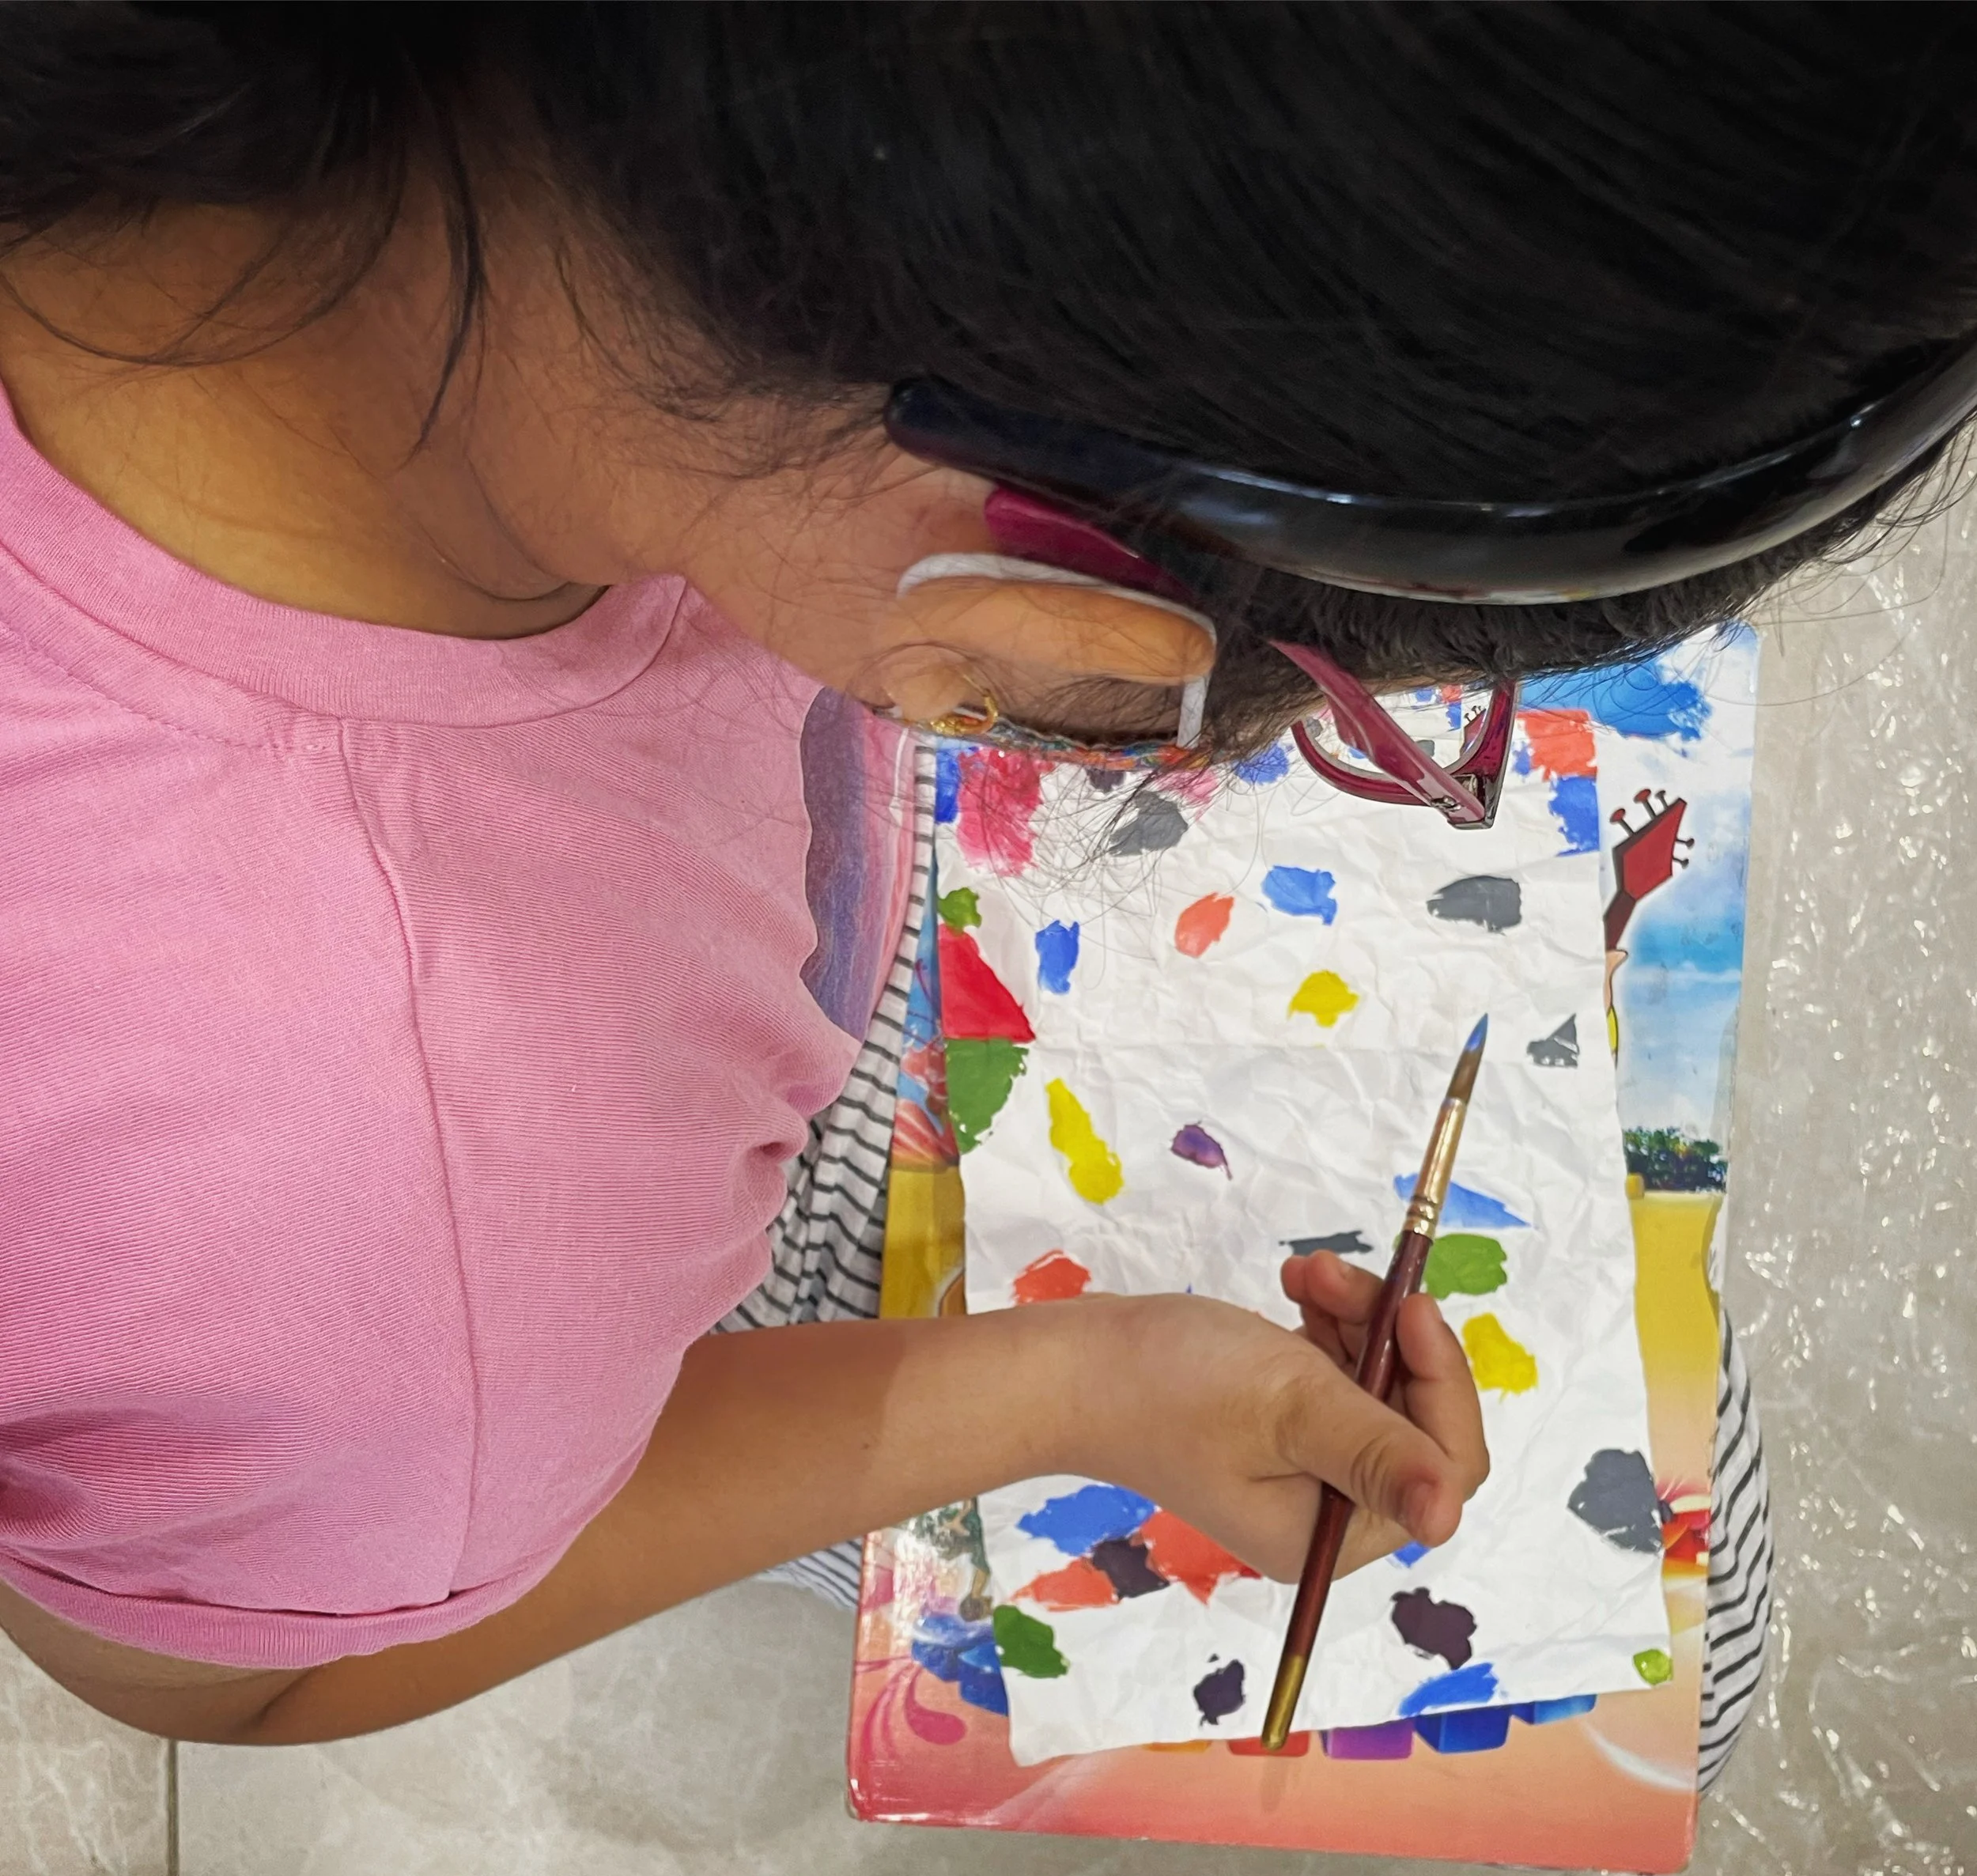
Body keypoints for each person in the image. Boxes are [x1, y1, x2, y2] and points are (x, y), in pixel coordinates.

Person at [0, 3, 1960, 1782]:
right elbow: (250, 1679)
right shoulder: (405, 1255)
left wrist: (1109, 1371)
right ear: (1057, 606)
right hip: (502, 1236)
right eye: (1359, 706)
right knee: (1697, 1641)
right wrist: (1040, 1389)